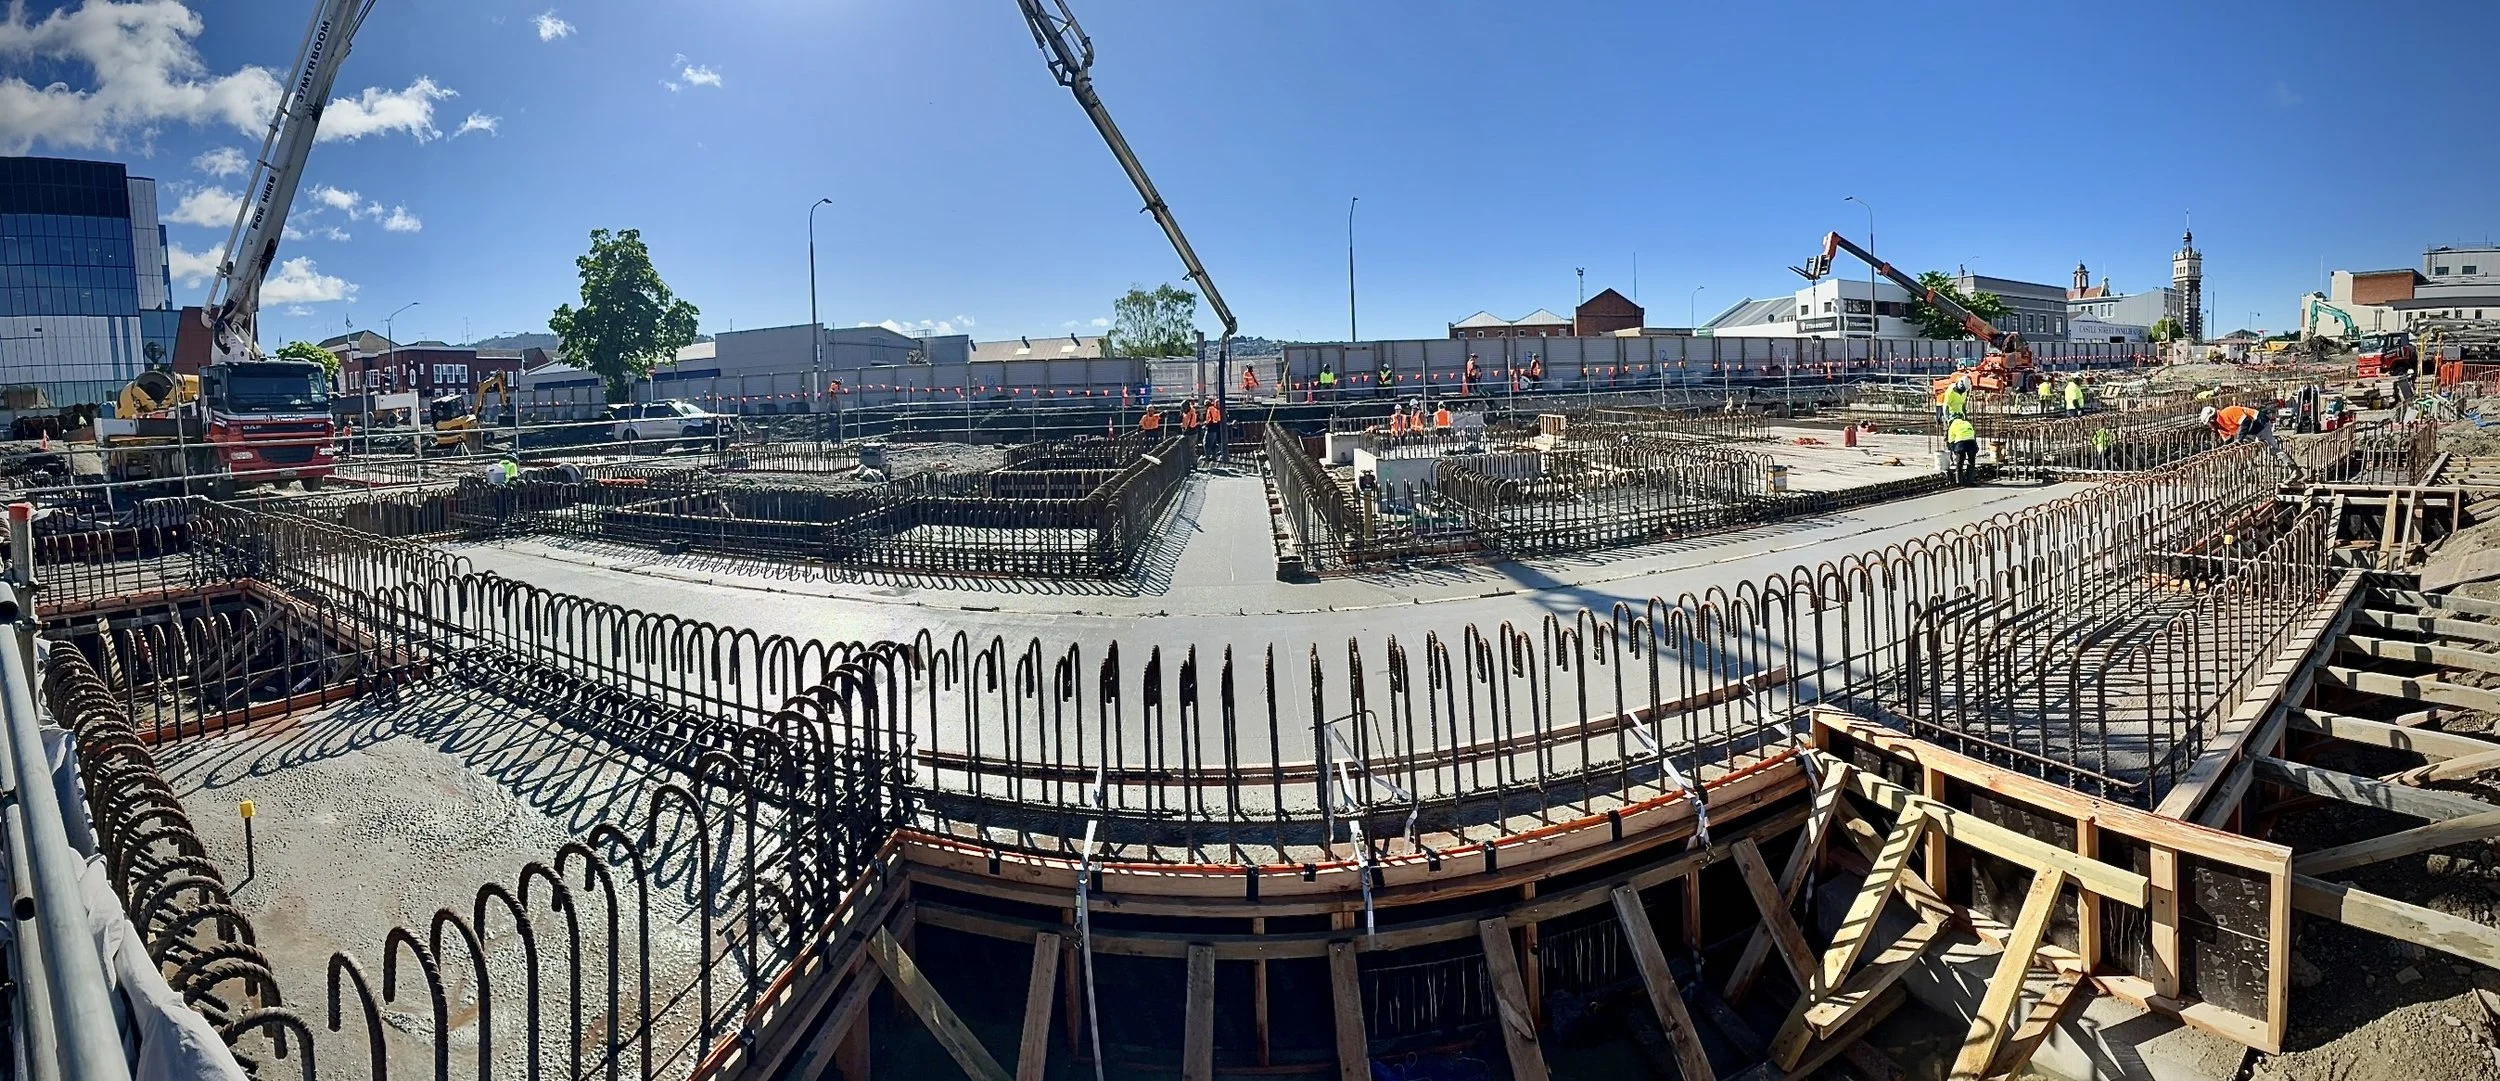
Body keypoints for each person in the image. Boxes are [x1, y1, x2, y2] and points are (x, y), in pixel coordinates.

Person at [1947, 415, 1979, 486]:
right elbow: (1972, 434)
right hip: (1971, 443)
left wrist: (1954, 451)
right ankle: (1970, 481)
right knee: (1971, 462)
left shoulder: (1952, 426)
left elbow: (1951, 440)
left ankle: (1959, 482)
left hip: (1960, 443)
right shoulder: (1967, 423)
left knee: (1959, 463)